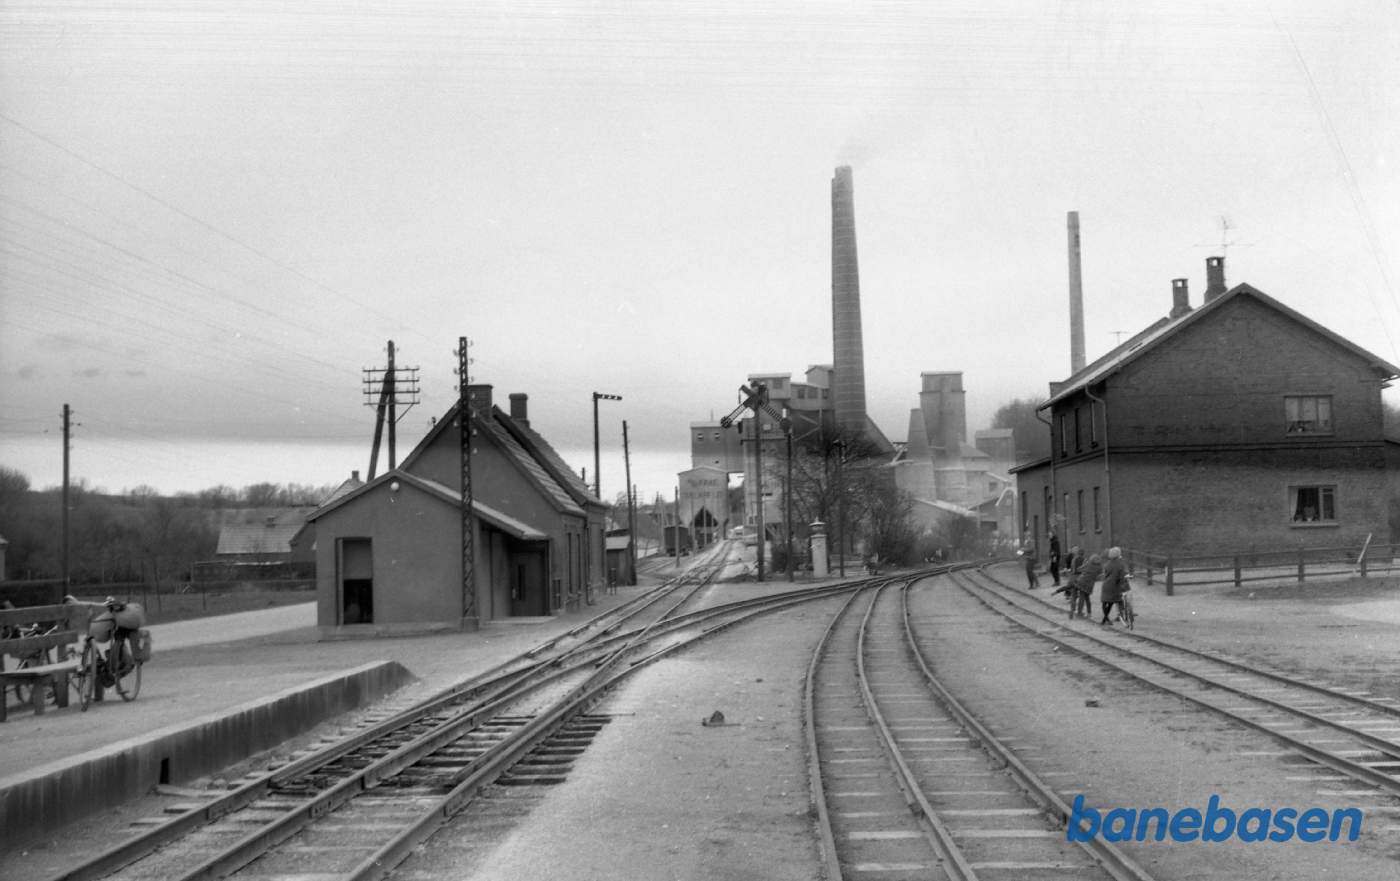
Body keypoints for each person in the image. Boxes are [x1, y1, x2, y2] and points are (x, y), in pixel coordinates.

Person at [1099, 547, 1130, 625]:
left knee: (1104, 602)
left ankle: (1105, 618)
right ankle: (1110, 618)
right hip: (1115, 586)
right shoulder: (1120, 564)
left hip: (1106, 585)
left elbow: (1105, 573)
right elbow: (1122, 575)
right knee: (1112, 602)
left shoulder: (1107, 564)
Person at [1073, 551, 1102, 619]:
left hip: (1082, 582)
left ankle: (1079, 612)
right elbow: (1100, 576)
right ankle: (1089, 613)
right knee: (1087, 598)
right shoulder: (1100, 566)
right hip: (1090, 584)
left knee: (1082, 597)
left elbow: (1078, 569)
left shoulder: (1088, 563)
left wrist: (1084, 566)